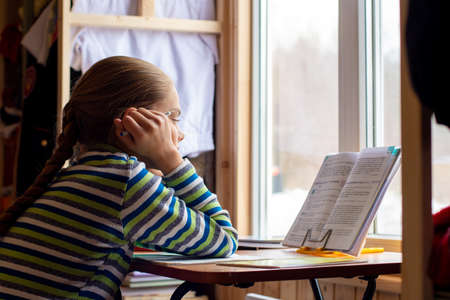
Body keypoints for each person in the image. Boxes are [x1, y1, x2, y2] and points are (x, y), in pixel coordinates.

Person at [0, 56, 238, 299]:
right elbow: (224, 240)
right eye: (172, 117)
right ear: (130, 125)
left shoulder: (85, 174)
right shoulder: (126, 182)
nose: (180, 133)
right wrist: (171, 161)